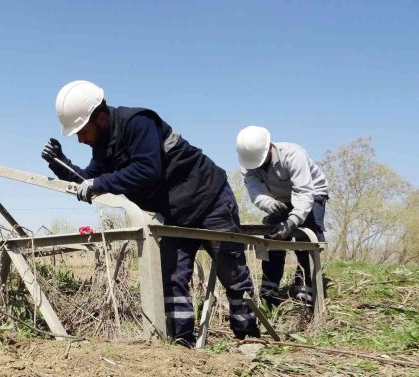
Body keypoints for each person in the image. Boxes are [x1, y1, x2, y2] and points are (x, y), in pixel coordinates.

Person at [41, 80, 260, 345]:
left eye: (82, 131)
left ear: (99, 118)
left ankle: (248, 338)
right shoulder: (102, 145)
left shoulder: (138, 123)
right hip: (175, 214)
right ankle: (182, 343)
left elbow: (147, 169)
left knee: (232, 272)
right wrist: (62, 165)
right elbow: (91, 178)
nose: (80, 138)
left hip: (209, 199)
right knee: (173, 278)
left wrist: (98, 183)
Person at [235, 125, 328, 306]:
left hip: (312, 193)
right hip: (279, 199)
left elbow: (304, 191)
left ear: (269, 147)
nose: (259, 165)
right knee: (272, 235)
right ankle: (270, 286)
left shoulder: (293, 155)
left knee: (306, 236)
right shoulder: (248, 163)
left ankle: (308, 283)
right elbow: (255, 192)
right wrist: (269, 204)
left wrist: (293, 220)